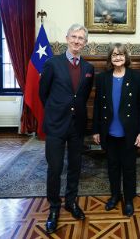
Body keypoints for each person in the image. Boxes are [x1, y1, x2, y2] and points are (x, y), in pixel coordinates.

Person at [39, 24, 94, 234]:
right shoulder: (52, 63)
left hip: (77, 125)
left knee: (75, 166)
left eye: (81, 38)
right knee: (54, 168)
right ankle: (54, 208)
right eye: (74, 37)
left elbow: (83, 95)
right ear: (67, 38)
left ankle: (71, 202)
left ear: (85, 43)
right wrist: (55, 111)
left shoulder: (88, 69)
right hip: (55, 124)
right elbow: (42, 94)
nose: (77, 41)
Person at [92, 43, 140, 217]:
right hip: (109, 132)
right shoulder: (102, 78)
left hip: (129, 132)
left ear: (126, 57)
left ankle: (129, 199)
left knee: (129, 167)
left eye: (121, 54)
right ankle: (115, 195)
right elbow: (97, 107)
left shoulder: (137, 77)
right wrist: (96, 130)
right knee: (113, 166)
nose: (117, 57)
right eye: (114, 54)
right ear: (110, 58)